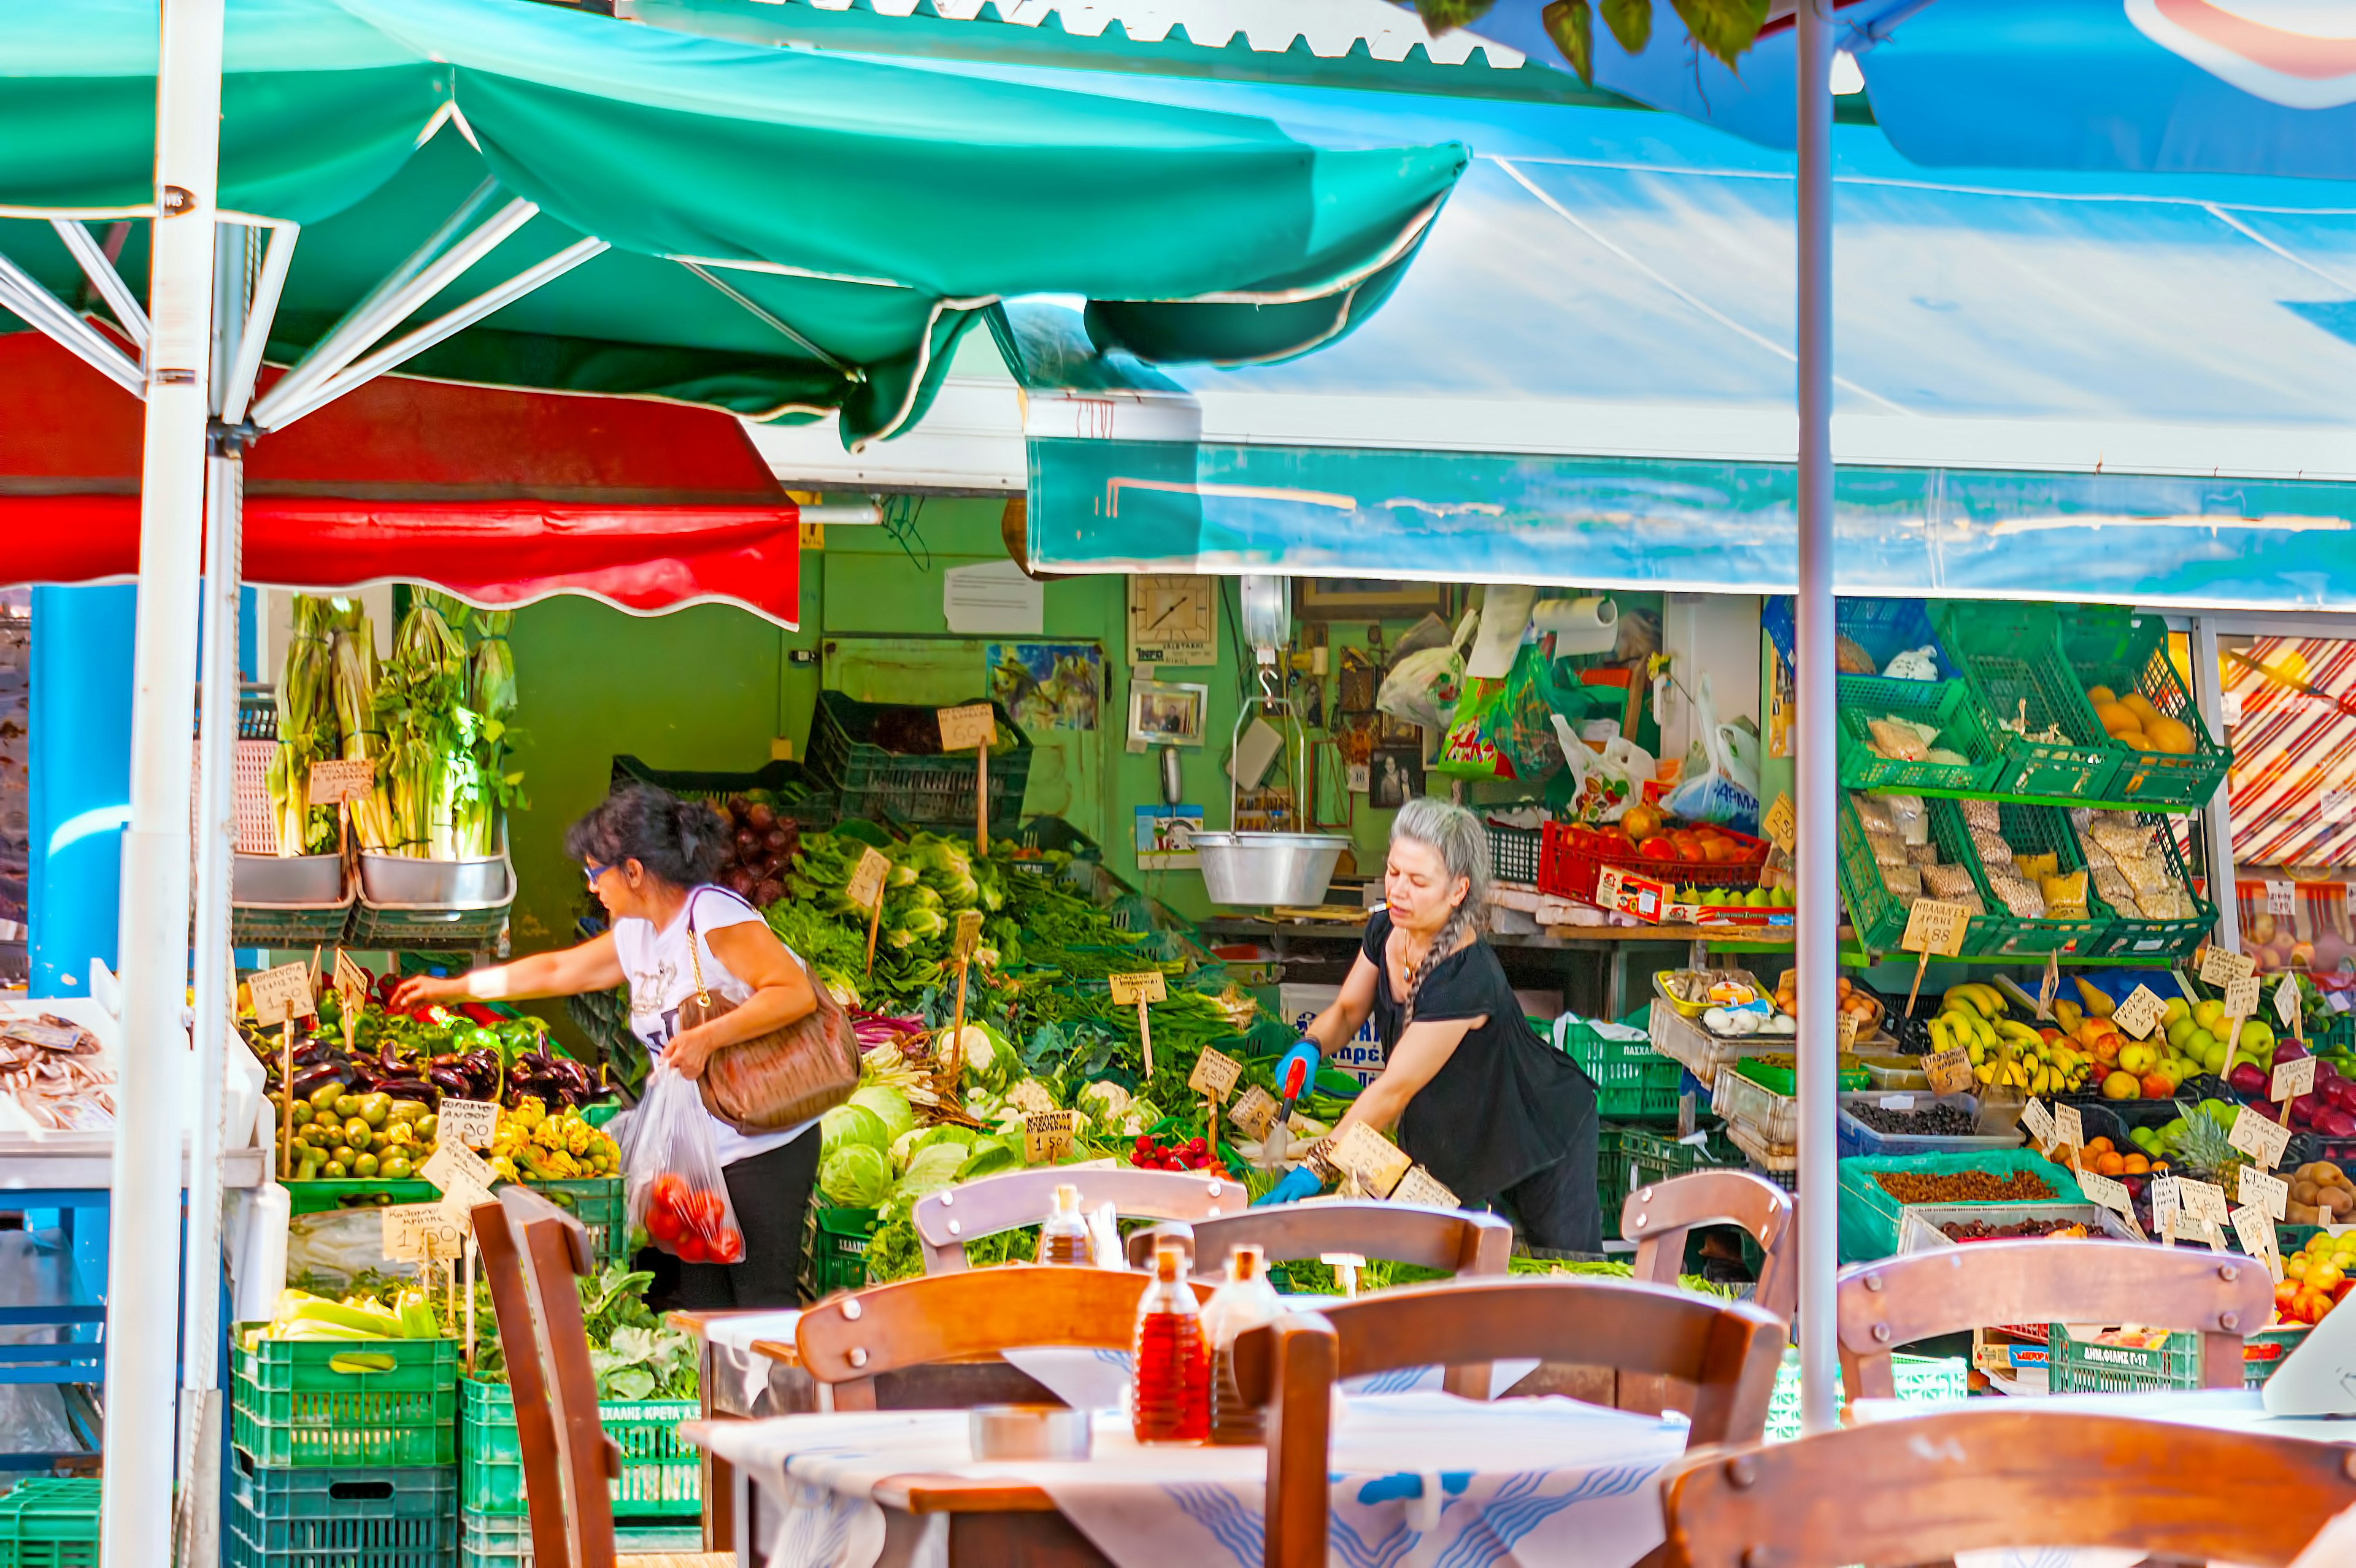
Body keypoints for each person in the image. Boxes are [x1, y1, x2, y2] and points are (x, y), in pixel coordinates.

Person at [392, 784, 824, 1307]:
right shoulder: (639, 932)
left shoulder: (713, 916)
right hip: (698, 1155)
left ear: (635, 872)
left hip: (763, 1143)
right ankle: (727, 1394)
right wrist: (453, 988)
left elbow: (793, 992)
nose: (593, 887)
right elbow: (558, 970)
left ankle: (781, 1392)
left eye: (597, 873)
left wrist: (708, 1037)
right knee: (704, 1308)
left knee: (760, 1303)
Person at [1256, 796, 1603, 1251]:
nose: (1399, 891)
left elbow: (1393, 1090)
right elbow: (1346, 1011)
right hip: (1466, 1133)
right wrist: (1313, 1045)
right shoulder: (1386, 929)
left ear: (1458, 891)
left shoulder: (1465, 977)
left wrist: (1318, 1165)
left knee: (1561, 1283)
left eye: (1418, 881)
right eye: (1394, 872)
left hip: (1541, 1133)